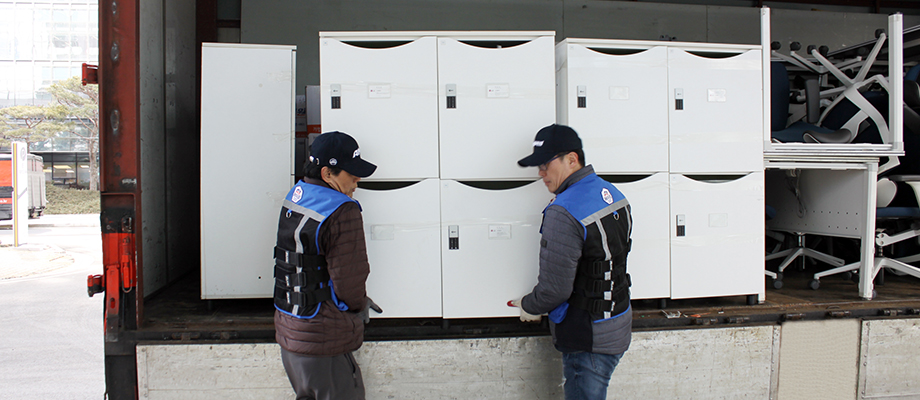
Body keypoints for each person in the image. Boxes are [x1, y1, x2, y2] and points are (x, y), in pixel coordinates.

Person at [511, 124, 633, 400]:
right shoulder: (613, 194)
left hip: (588, 338)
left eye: (545, 164)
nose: (541, 173)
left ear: (572, 159)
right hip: (618, 321)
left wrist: (529, 305)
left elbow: (554, 290)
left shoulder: (563, 211)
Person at [273, 131, 377, 400]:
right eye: (351, 174)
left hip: (291, 333)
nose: (357, 180)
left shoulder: (297, 195)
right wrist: (358, 306)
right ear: (327, 173)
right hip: (322, 339)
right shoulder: (343, 210)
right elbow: (349, 279)